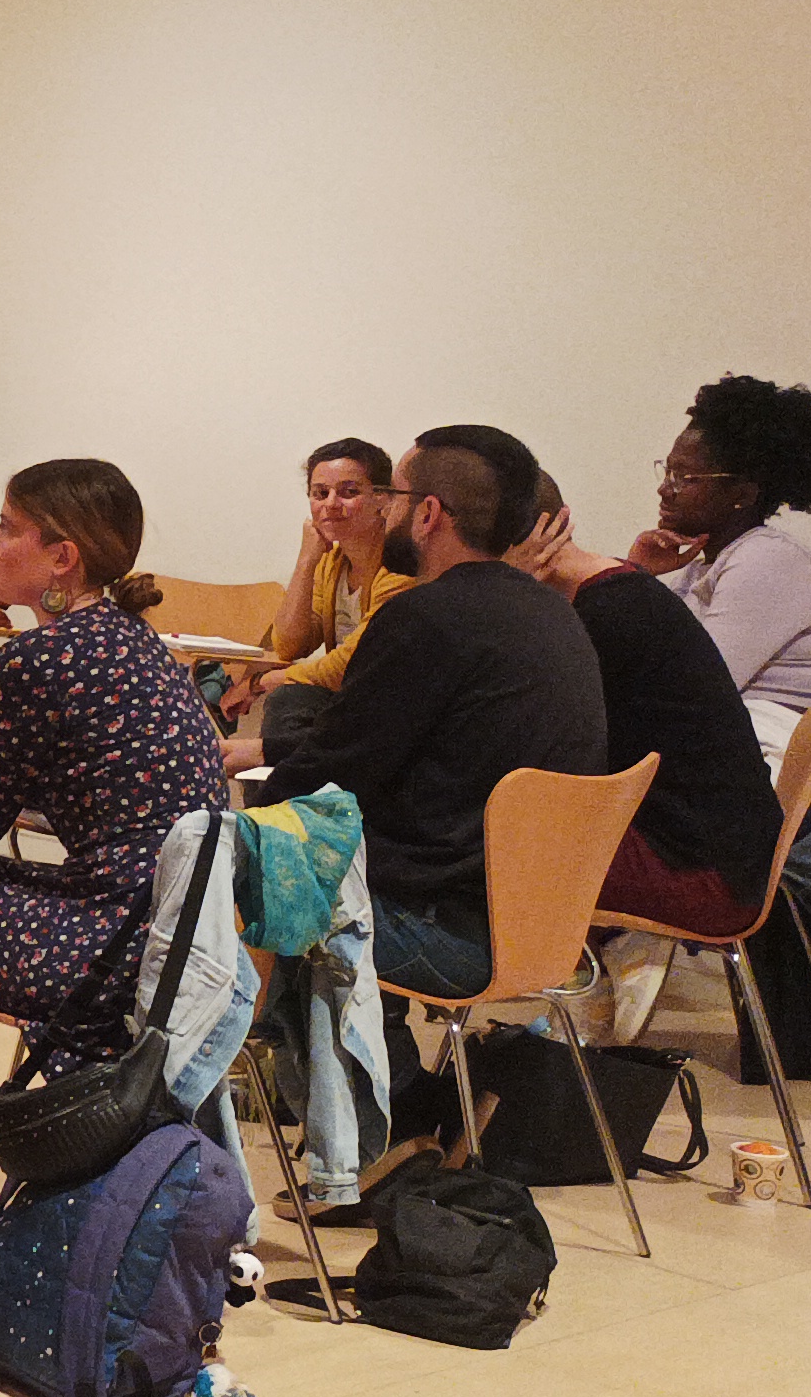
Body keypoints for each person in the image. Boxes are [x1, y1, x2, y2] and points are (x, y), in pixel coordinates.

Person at [0, 460, 231, 1077]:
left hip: (103, 955)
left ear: (61, 558)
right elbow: (42, 761)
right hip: (173, 944)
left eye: (6, 527)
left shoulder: (43, 657)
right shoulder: (134, 638)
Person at [256, 424, 603, 1011]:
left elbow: (322, 779)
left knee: (219, 869)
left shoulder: (428, 616)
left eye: (392, 497)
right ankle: (357, 1082)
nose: (384, 510)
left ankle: (330, 1088)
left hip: (448, 930)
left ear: (429, 514)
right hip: (541, 927)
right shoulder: (551, 612)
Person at [513, 471, 782, 1041]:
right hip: (713, 852)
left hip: (703, 873)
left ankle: (574, 1014)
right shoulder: (615, 593)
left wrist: (511, 608)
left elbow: (534, 752)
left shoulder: (608, 614)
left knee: (451, 853)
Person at [629, 374, 811, 761]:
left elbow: (691, 691)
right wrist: (635, 573)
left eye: (686, 477)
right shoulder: (701, 569)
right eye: (668, 472)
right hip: (713, 756)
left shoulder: (767, 560)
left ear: (742, 495)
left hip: (751, 770)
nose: (665, 489)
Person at [230, 437, 413, 761]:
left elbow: (353, 665)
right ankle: (275, 808)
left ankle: (275, 809)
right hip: (346, 701)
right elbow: (289, 644)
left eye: (348, 492)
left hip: (390, 706)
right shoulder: (333, 562)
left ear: (383, 499)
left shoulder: (401, 567)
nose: (330, 503)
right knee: (290, 701)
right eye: (320, 493)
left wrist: (262, 681)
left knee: (291, 699)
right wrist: (306, 559)